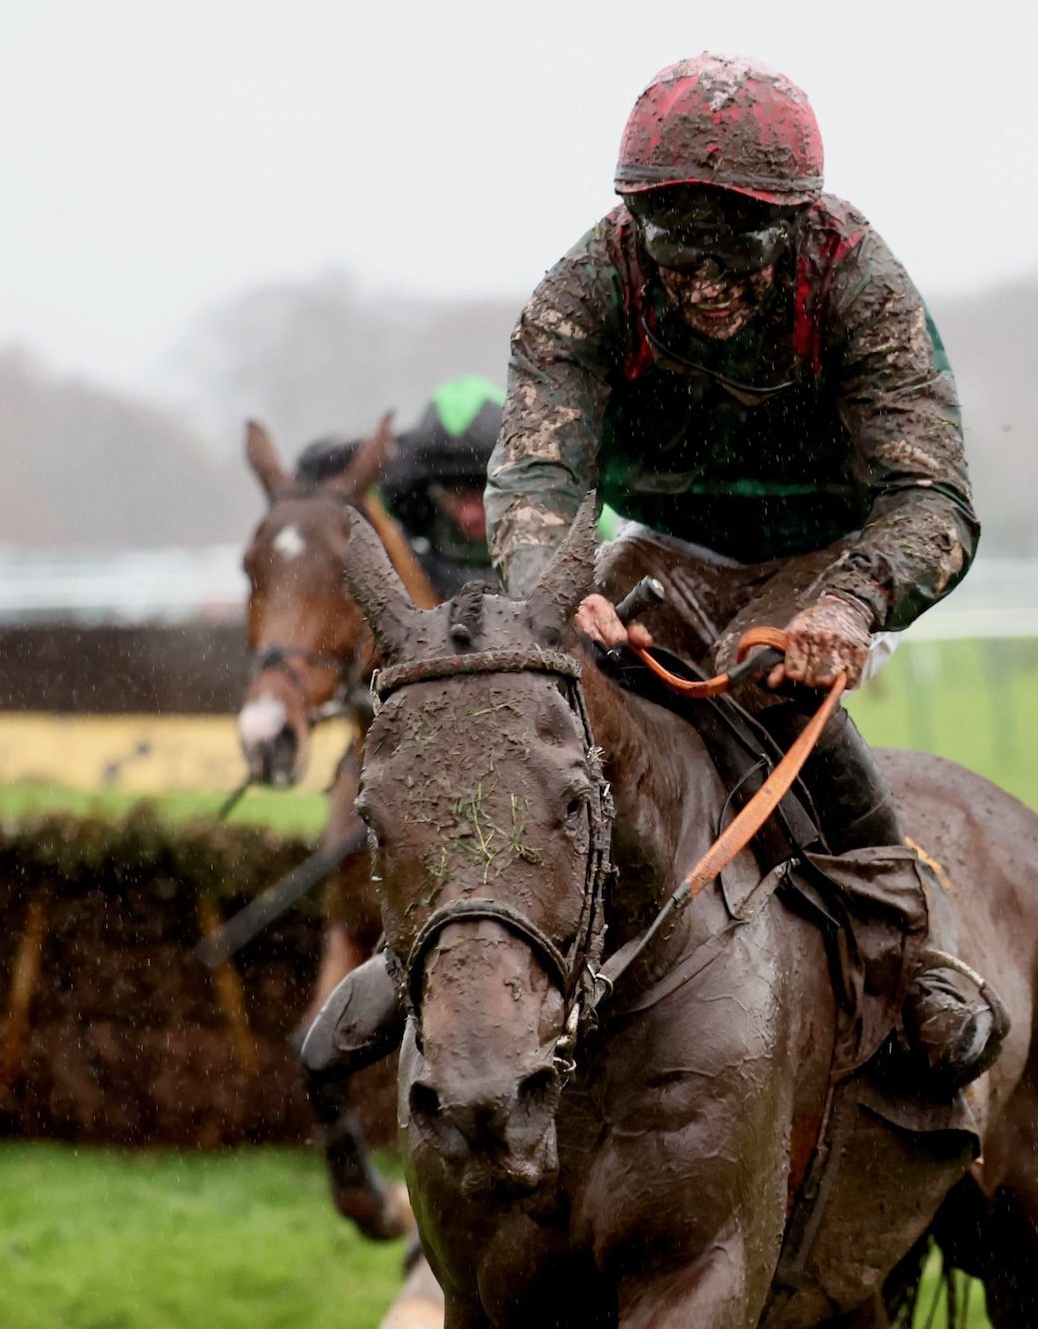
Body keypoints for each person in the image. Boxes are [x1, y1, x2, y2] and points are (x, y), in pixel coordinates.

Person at [483, 54, 995, 1086]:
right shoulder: (582, 287)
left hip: (825, 545)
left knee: (759, 674)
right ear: (635, 226)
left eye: (741, 252)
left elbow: (931, 500)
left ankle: (909, 945)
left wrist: (851, 601)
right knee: (546, 670)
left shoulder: (861, 281)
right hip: (669, 535)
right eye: (681, 252)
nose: (709, 283)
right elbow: (539, 466)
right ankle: (467, 946)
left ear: (797, 227)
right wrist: (553, 578)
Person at [379, 375, 503, 598]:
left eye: (483, 490)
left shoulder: (556, 493)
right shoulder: (400, 491)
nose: (469, 515)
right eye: (453, 495)